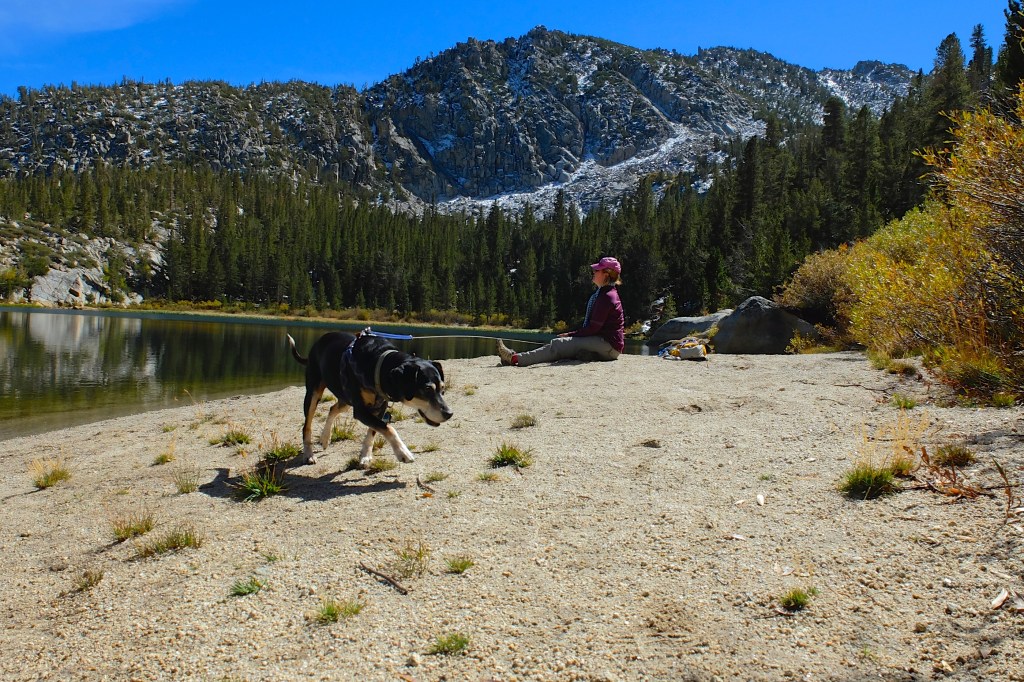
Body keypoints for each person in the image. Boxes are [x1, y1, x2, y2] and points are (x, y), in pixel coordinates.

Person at [497, 256, 625, 367]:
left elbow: (593, 328)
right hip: (607, 345)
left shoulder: (606, 297)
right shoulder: (606, 294)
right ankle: (589, 355)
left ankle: (514, 358)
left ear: (606, 275)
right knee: (567, 346)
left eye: (597, 270)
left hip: (609, 346)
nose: (594, 272)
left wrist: (570, 335)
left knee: (559, 344)